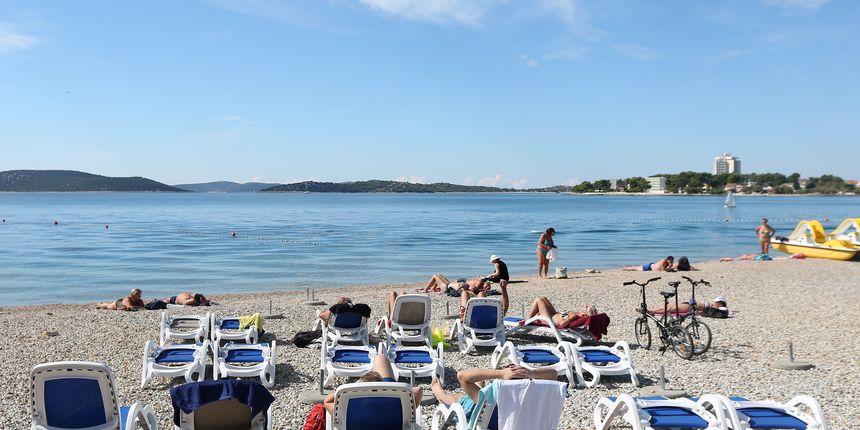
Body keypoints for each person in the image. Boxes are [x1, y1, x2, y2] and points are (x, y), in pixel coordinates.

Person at [429, 365, 557, 422]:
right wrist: (531, 373)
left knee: (457, 398)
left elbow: (462, 375)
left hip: (479, 411)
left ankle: (439, 393)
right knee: (475, 393)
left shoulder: (494, 404)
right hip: (516, 417)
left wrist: (501, 373)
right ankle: (479, 385)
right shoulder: (533, 402)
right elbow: (554, 375)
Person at [322, 355, 422, 415]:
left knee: (380, 359)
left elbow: (327, 401)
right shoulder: (395, 408)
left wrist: (347, 390)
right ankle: (379, 386)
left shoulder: (350, 411)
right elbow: (418, 390)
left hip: (364, 403)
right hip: (387, 402)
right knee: (380, 358)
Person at [526, 296, 597, 327]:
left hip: (550, 321)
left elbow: (563, 323)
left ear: (586, 314)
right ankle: (536, 317)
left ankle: (527, 320)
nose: (584, 307)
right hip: (553, 315)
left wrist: (571, 317)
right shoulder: (578, 315)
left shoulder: (576, 316)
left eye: (586, 308)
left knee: (538, 300)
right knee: (543, 298)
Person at [647, 296, 728, 316]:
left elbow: (724, 309)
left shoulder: (717, 307)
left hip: (691, 307)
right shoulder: (713, 305)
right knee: (668, 305)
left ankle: (652, 312)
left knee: (672, 309)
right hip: (689, 304)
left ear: (719, 303)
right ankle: (652, 310)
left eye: (716, 301)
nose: (714, 302)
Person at [418, 274, 484, 293]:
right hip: (449, 284)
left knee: (435, 276)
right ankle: (433, 288)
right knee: (439, 275)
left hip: (447, 287)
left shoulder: (470, 289)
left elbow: (470, 290)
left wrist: (461, 286)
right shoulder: (474, 287)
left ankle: (425, 290)